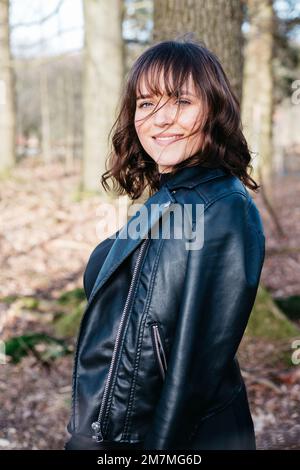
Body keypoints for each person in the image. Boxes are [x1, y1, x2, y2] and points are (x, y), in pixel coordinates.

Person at [64, 37, 265, 450]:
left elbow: (193, 370)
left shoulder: (221, 204)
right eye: (146, 103)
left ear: (213, 110)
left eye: (180, 102)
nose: (160, 119)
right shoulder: (170, 199)